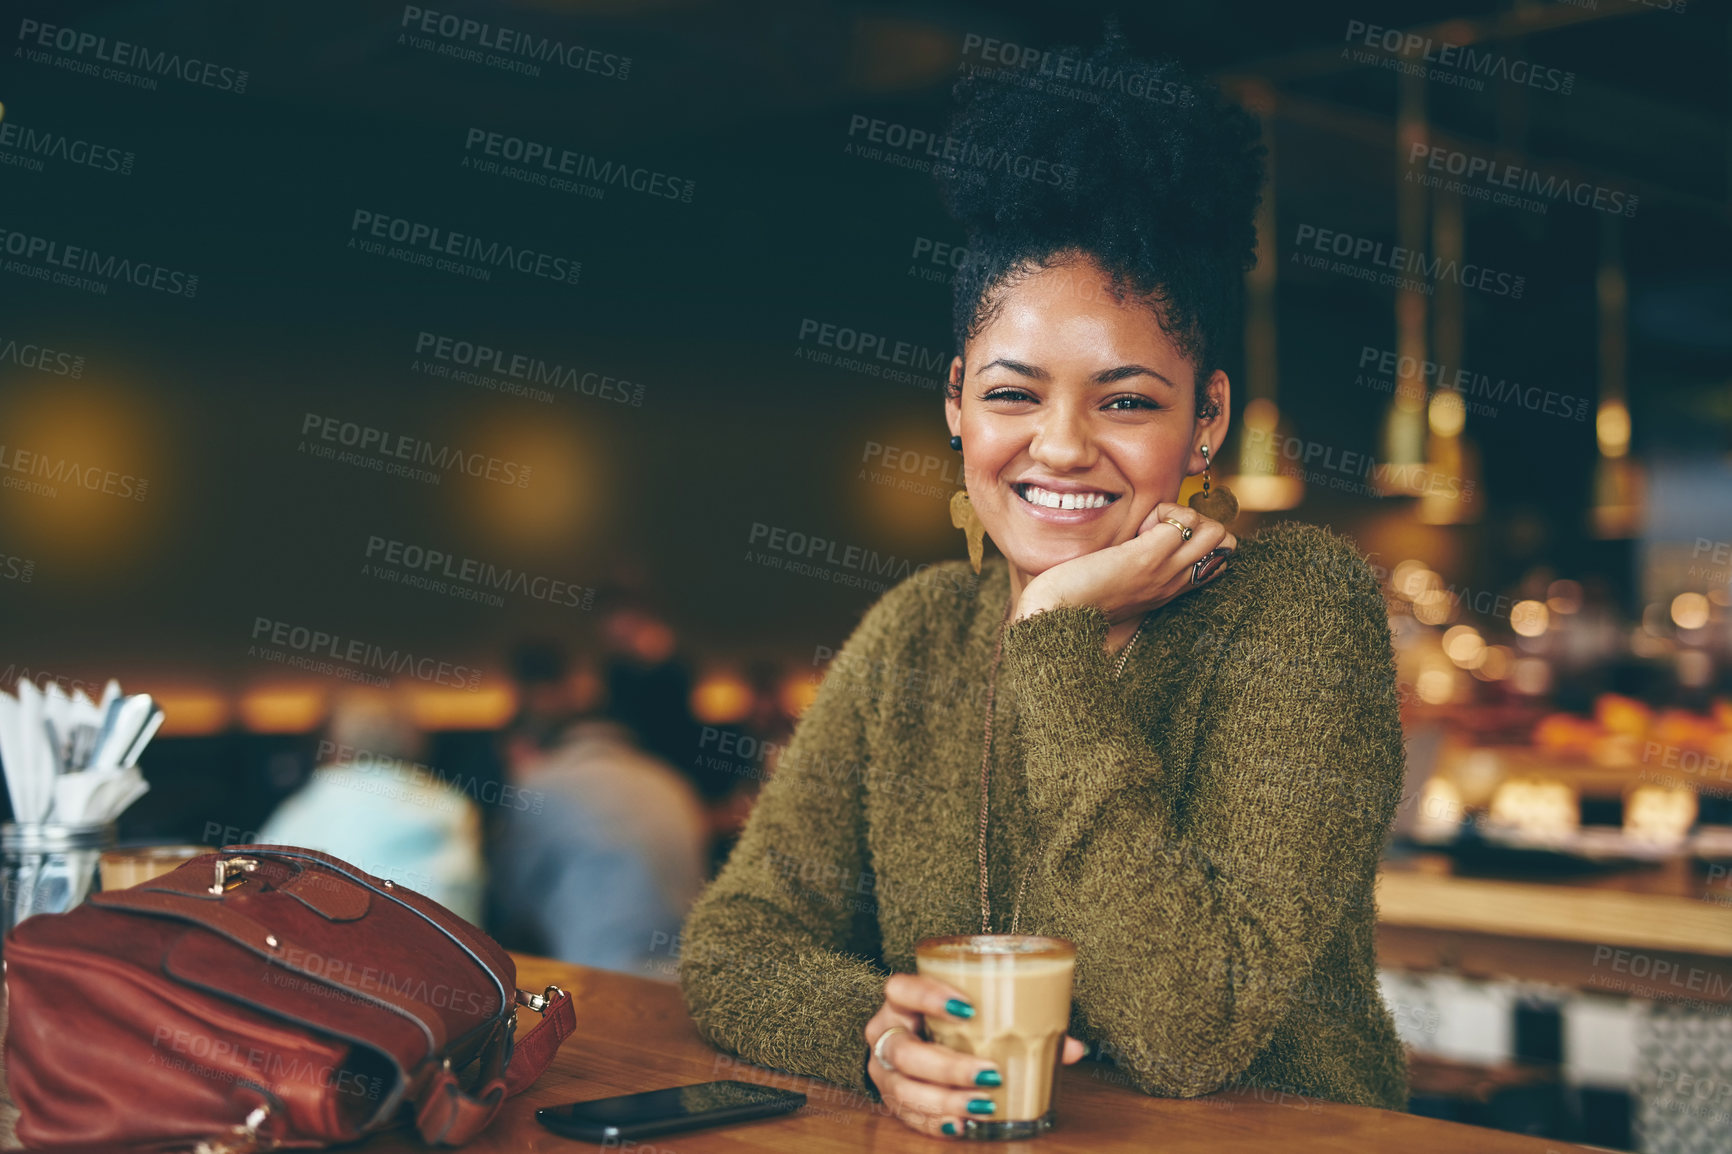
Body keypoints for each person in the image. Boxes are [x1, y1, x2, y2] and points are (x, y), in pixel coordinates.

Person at [678, 26, 1409, 1139]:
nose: (1060, 448)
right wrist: (882, 1036)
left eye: (1125, 401)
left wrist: (1055, 640)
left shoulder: (1298, 608)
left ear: (1204, 419)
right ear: (957, 401)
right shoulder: (917, 628)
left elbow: (1184, 1031)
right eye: (1015, 395)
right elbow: (734, 942)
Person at [488, 645, 708, 976]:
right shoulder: (672, 783)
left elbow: (508, 899)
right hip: (688, 983)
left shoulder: (542, 784)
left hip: (601, 984)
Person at [257, 689, 484, 923]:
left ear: (333, 740)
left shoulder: (304, 809)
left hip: (320, 956)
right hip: (442, 956)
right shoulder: (455, 807)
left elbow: (258, 896)